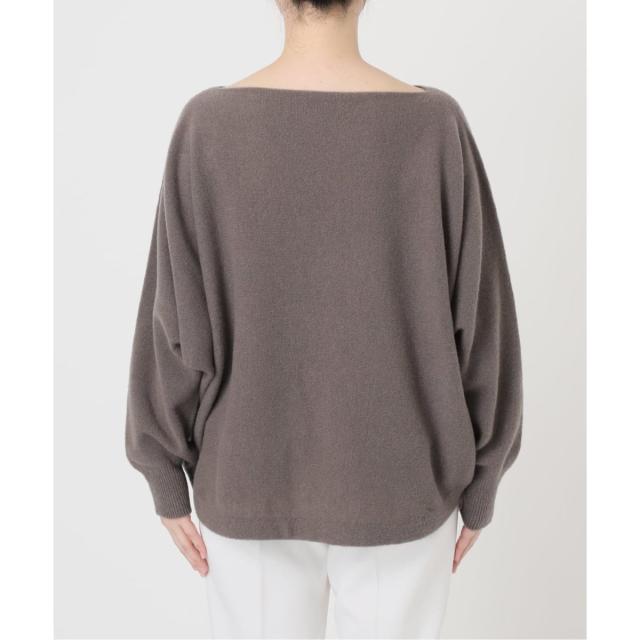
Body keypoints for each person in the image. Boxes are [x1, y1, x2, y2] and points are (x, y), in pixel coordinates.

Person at [124, 0, 523, 637]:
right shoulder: (434, 126)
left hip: (248, 483)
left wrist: (161, 468)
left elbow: (174, 323)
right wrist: (483, 478)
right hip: (402, 488)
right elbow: (482, 322)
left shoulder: (208, 127)